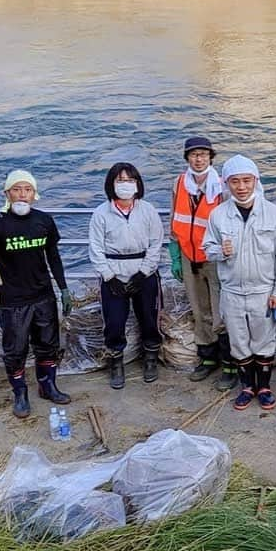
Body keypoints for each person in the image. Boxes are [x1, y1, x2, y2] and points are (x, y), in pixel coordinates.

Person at [0, 169, 72, 418]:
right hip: (13, 300)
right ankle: (20, 392)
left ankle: (47, 385)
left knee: (48, 345)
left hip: (43, 296)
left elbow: (53, 257)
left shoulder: (44, 221)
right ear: (7, 193)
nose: (22, 194)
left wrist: (63, 288)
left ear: (34, 194)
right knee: (15, 350)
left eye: (27, 190)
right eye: (16, 189)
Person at [203, 154, 276, 411]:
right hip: (231, 291)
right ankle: (246, 387)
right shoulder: (218, 215)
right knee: (239, 341)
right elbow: (207, 249)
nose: (241, 187)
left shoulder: (272, 213)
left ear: (256, 180)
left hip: (263, 291)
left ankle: (264, 387)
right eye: (235, 182)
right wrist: (222, 250)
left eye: (246, 180)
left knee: (264, 340)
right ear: (226, 184)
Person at [88, 162, 164, 389]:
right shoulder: (101, 213)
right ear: (111, 185)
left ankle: (150, 356)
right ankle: (116, 361)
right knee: (114, 321)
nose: (126, 185)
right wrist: (109, 277)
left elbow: (155, 243)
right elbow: (96, 248)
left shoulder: (148, 210)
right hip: (115, 271)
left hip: (144, 271)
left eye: (130, 180)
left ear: (138, 184)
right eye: (120, 181)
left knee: (149, 317)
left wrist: (144, 272)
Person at [168, 136, 236, 389]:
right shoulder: (178, 183)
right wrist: (174, 252)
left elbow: (230, 221)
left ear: (210, 158)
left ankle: (229, 363)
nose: (199, 159)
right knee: (199, 310)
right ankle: (207, 358)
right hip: (188, 254)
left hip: (214, 256)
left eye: (204, 155)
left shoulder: (221, 186)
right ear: (187, 158)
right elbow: (175, 216)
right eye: (194, 154)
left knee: (221, 311)